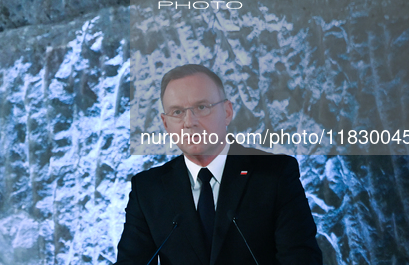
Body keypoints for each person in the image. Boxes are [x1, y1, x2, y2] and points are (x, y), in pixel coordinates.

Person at [115, 64, 322, 265]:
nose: (189, 122)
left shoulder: (275, 175)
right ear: (166, 124)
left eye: (201, 107)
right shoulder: (147, 189)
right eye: (177, 112)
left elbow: (301, 258)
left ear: (227, 112)